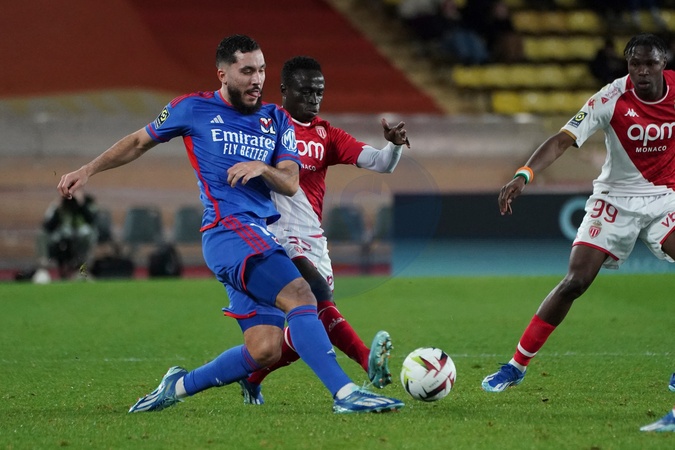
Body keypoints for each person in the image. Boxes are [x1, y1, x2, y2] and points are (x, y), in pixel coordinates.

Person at [57, 34, 404, 414]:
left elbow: (290, 181)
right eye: (247, 71)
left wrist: (262, 168)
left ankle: (178, 386)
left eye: (262, 70)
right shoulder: (192, 108)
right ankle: (346, 394)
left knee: (265, 349)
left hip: (258, 233)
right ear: (223, 74)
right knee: (303, 295)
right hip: (228, 229)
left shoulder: (276, 119)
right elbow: (139, 141)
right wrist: (88, 169)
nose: (257, 79)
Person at [481, 33, 675, 393]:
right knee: (575, 282)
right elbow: (561, 140)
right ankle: (515, 366)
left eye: (650, 63)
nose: (642, 71)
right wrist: (524, 175)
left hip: (665, 197)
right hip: (615, 199)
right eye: (635, 63)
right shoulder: (610, 98)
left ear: (663, 63)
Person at [237, 56, 409, 404]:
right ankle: (367, 362)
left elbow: (380, 164)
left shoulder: (327, 134)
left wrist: (393, 145)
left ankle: (251, 377)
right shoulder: (264, 124)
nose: (313, 99)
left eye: (319, 92)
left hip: (312, 236)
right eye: (305, 91)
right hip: (274, 232)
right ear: (284, 90)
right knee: (317, 295)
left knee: (312, 323)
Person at [42, 189, 99, 279]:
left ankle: (83, 272)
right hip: (63, 238)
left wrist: (81, 204)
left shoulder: (87, 202)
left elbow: (92, 221)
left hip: (81, 238)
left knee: (87, 240)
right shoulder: (59, 205)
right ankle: (50, 271)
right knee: (44, 236)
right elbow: (48, 227)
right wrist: (58, 208)